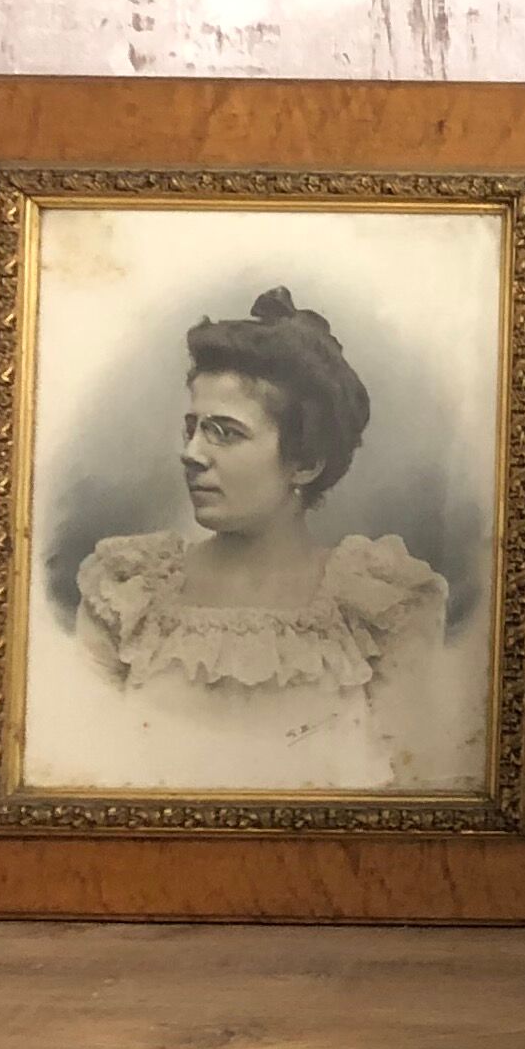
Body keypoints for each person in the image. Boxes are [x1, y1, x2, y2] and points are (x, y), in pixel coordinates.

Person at [70, 289, 461, 792]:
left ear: (306, 463)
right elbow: (78, 767)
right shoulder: (128, 592)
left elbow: (418, 786)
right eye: (192, 429)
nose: (192, 454)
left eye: (225, 432)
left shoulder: (381, 606)